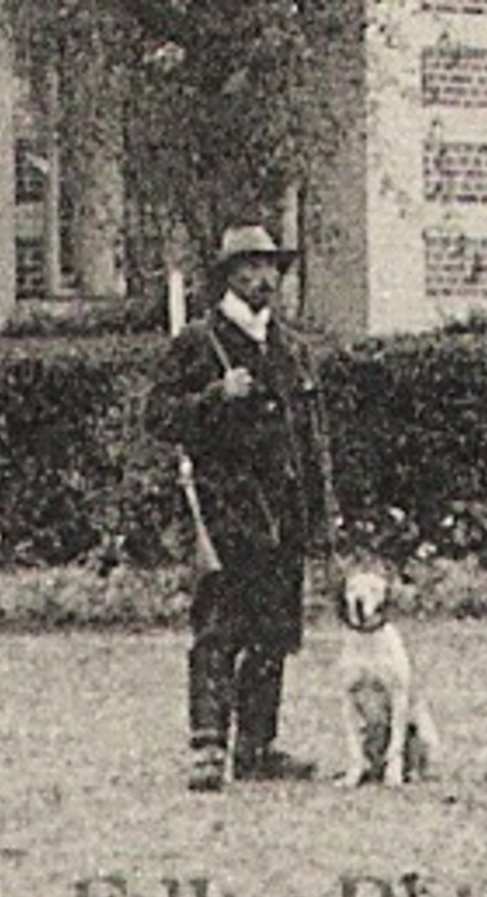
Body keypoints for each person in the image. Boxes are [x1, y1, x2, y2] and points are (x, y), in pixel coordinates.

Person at [145, 224, 337, 791]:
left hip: (284, 510)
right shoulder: (199, 344)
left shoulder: (293, 349)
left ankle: (257, 746)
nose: (263, 278)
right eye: (250, 267)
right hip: (226, 508)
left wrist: (321, 521)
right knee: (220, 628)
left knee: (275, 632)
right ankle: (208, 747)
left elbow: (312, 442)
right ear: (228, 275)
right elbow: (158, 417)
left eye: (271, 266)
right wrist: (214, 398)